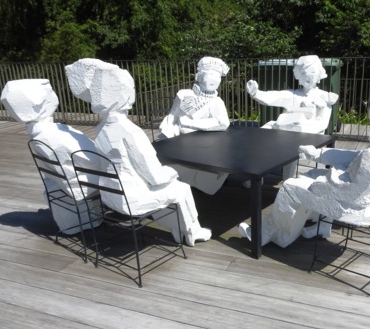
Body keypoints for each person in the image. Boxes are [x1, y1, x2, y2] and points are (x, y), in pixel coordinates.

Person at [238, 61, 370, 248]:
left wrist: (321, 179)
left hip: (363, 209)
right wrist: (319, 155)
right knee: (312, 175)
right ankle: (317, 226)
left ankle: (271, 235)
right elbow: (358, 159)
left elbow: (348, 189)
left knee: (291, 187)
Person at [65, 58, 211, 246]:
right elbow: (155, 177)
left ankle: (178, 229)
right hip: (132, 199)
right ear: (127, 95)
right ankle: (192, 232)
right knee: (180, 187)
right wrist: (174, 171)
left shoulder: (100, 129)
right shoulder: (131, 131)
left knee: (167, 186)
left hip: (110, 195)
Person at [0, 79, 101, 234]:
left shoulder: (38, 135)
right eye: (49, 91)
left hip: (61, 186)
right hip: (81, 186)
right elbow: (94, 159)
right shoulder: (55, 135)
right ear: (39, 101)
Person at [246, 55, 339, 179]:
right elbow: (273, 97)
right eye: (304, 73)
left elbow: (322, 124)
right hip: (285, 130)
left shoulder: (325, 97)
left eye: (312, 72)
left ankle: (287, 180)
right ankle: (254, 174)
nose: (308, 76)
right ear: (298, 76)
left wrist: (303, 126)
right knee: (261, 134)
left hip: (308, 136)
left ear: (319, 75)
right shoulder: (293, 94)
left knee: (292, 145)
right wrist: (256, 93)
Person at [158, 56, 231, 194]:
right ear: (199, 76)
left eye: (217, 76)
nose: (213, 79)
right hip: (179, 143)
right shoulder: (183, 95)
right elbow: (172, 117)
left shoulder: (217, 102)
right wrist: (167, 135)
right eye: (210, 74)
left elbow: (223, 123)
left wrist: (191, 123)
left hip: (206, 145)